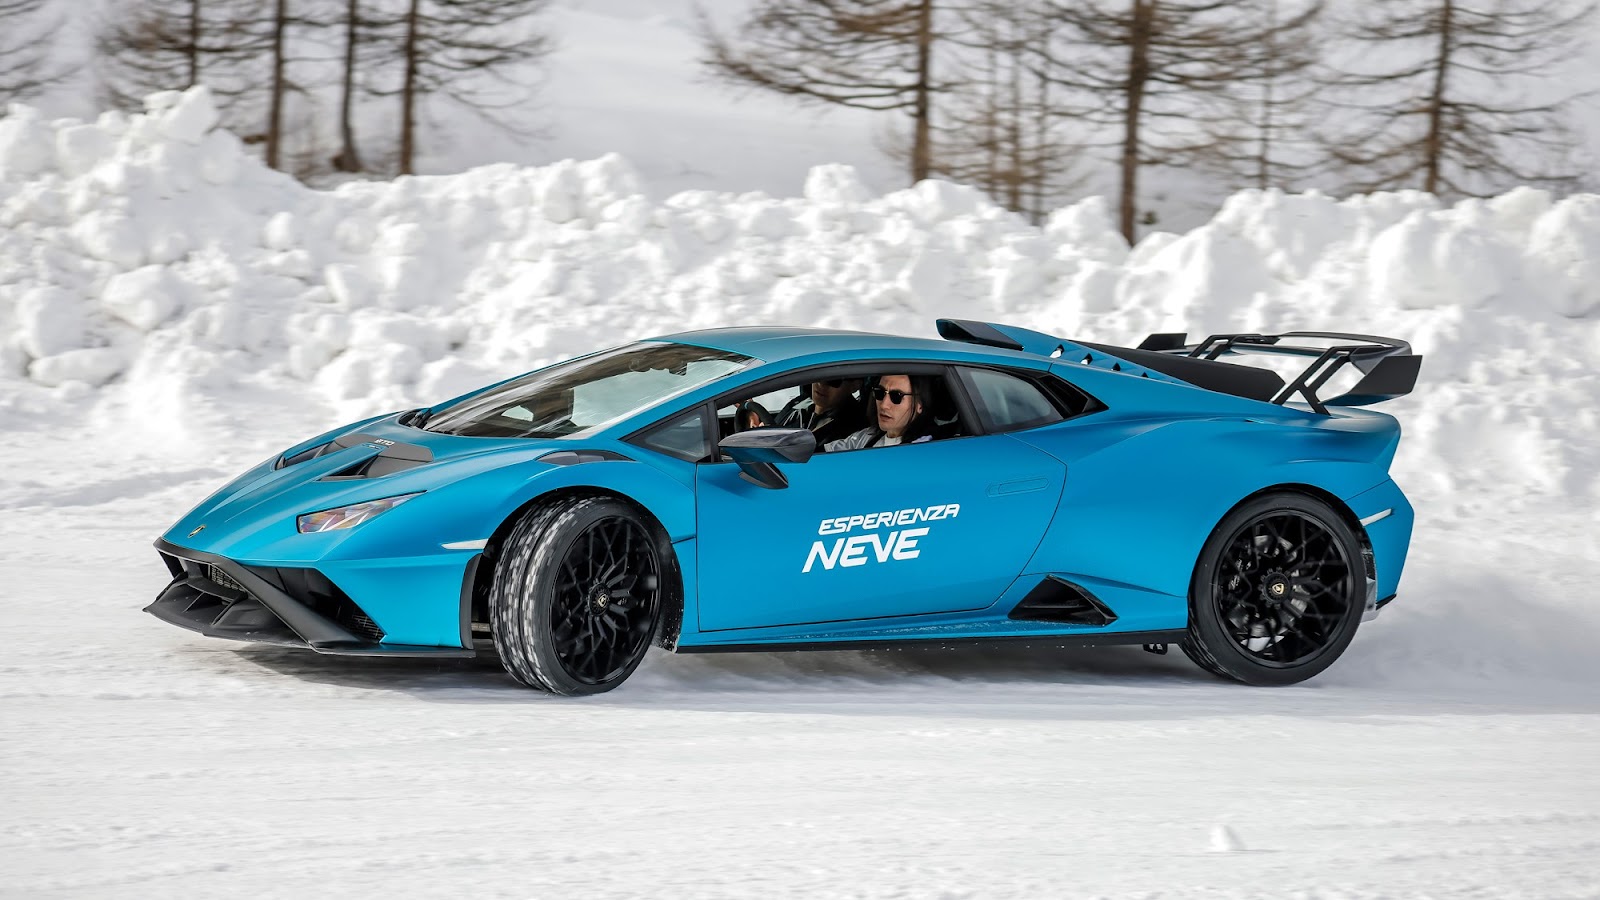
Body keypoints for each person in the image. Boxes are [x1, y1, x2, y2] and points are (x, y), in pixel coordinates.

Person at [823, 374, 934, 452]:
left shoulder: (924, 450)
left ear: (920, 404)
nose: (884, 404)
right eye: (879, 393)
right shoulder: (867, 436)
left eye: (896, 396)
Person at [779, 378, 866, 446]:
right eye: (818, 376)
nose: (821, 384)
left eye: (833, 381)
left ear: (855, 386)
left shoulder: (853, 430)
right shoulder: (798, 402)